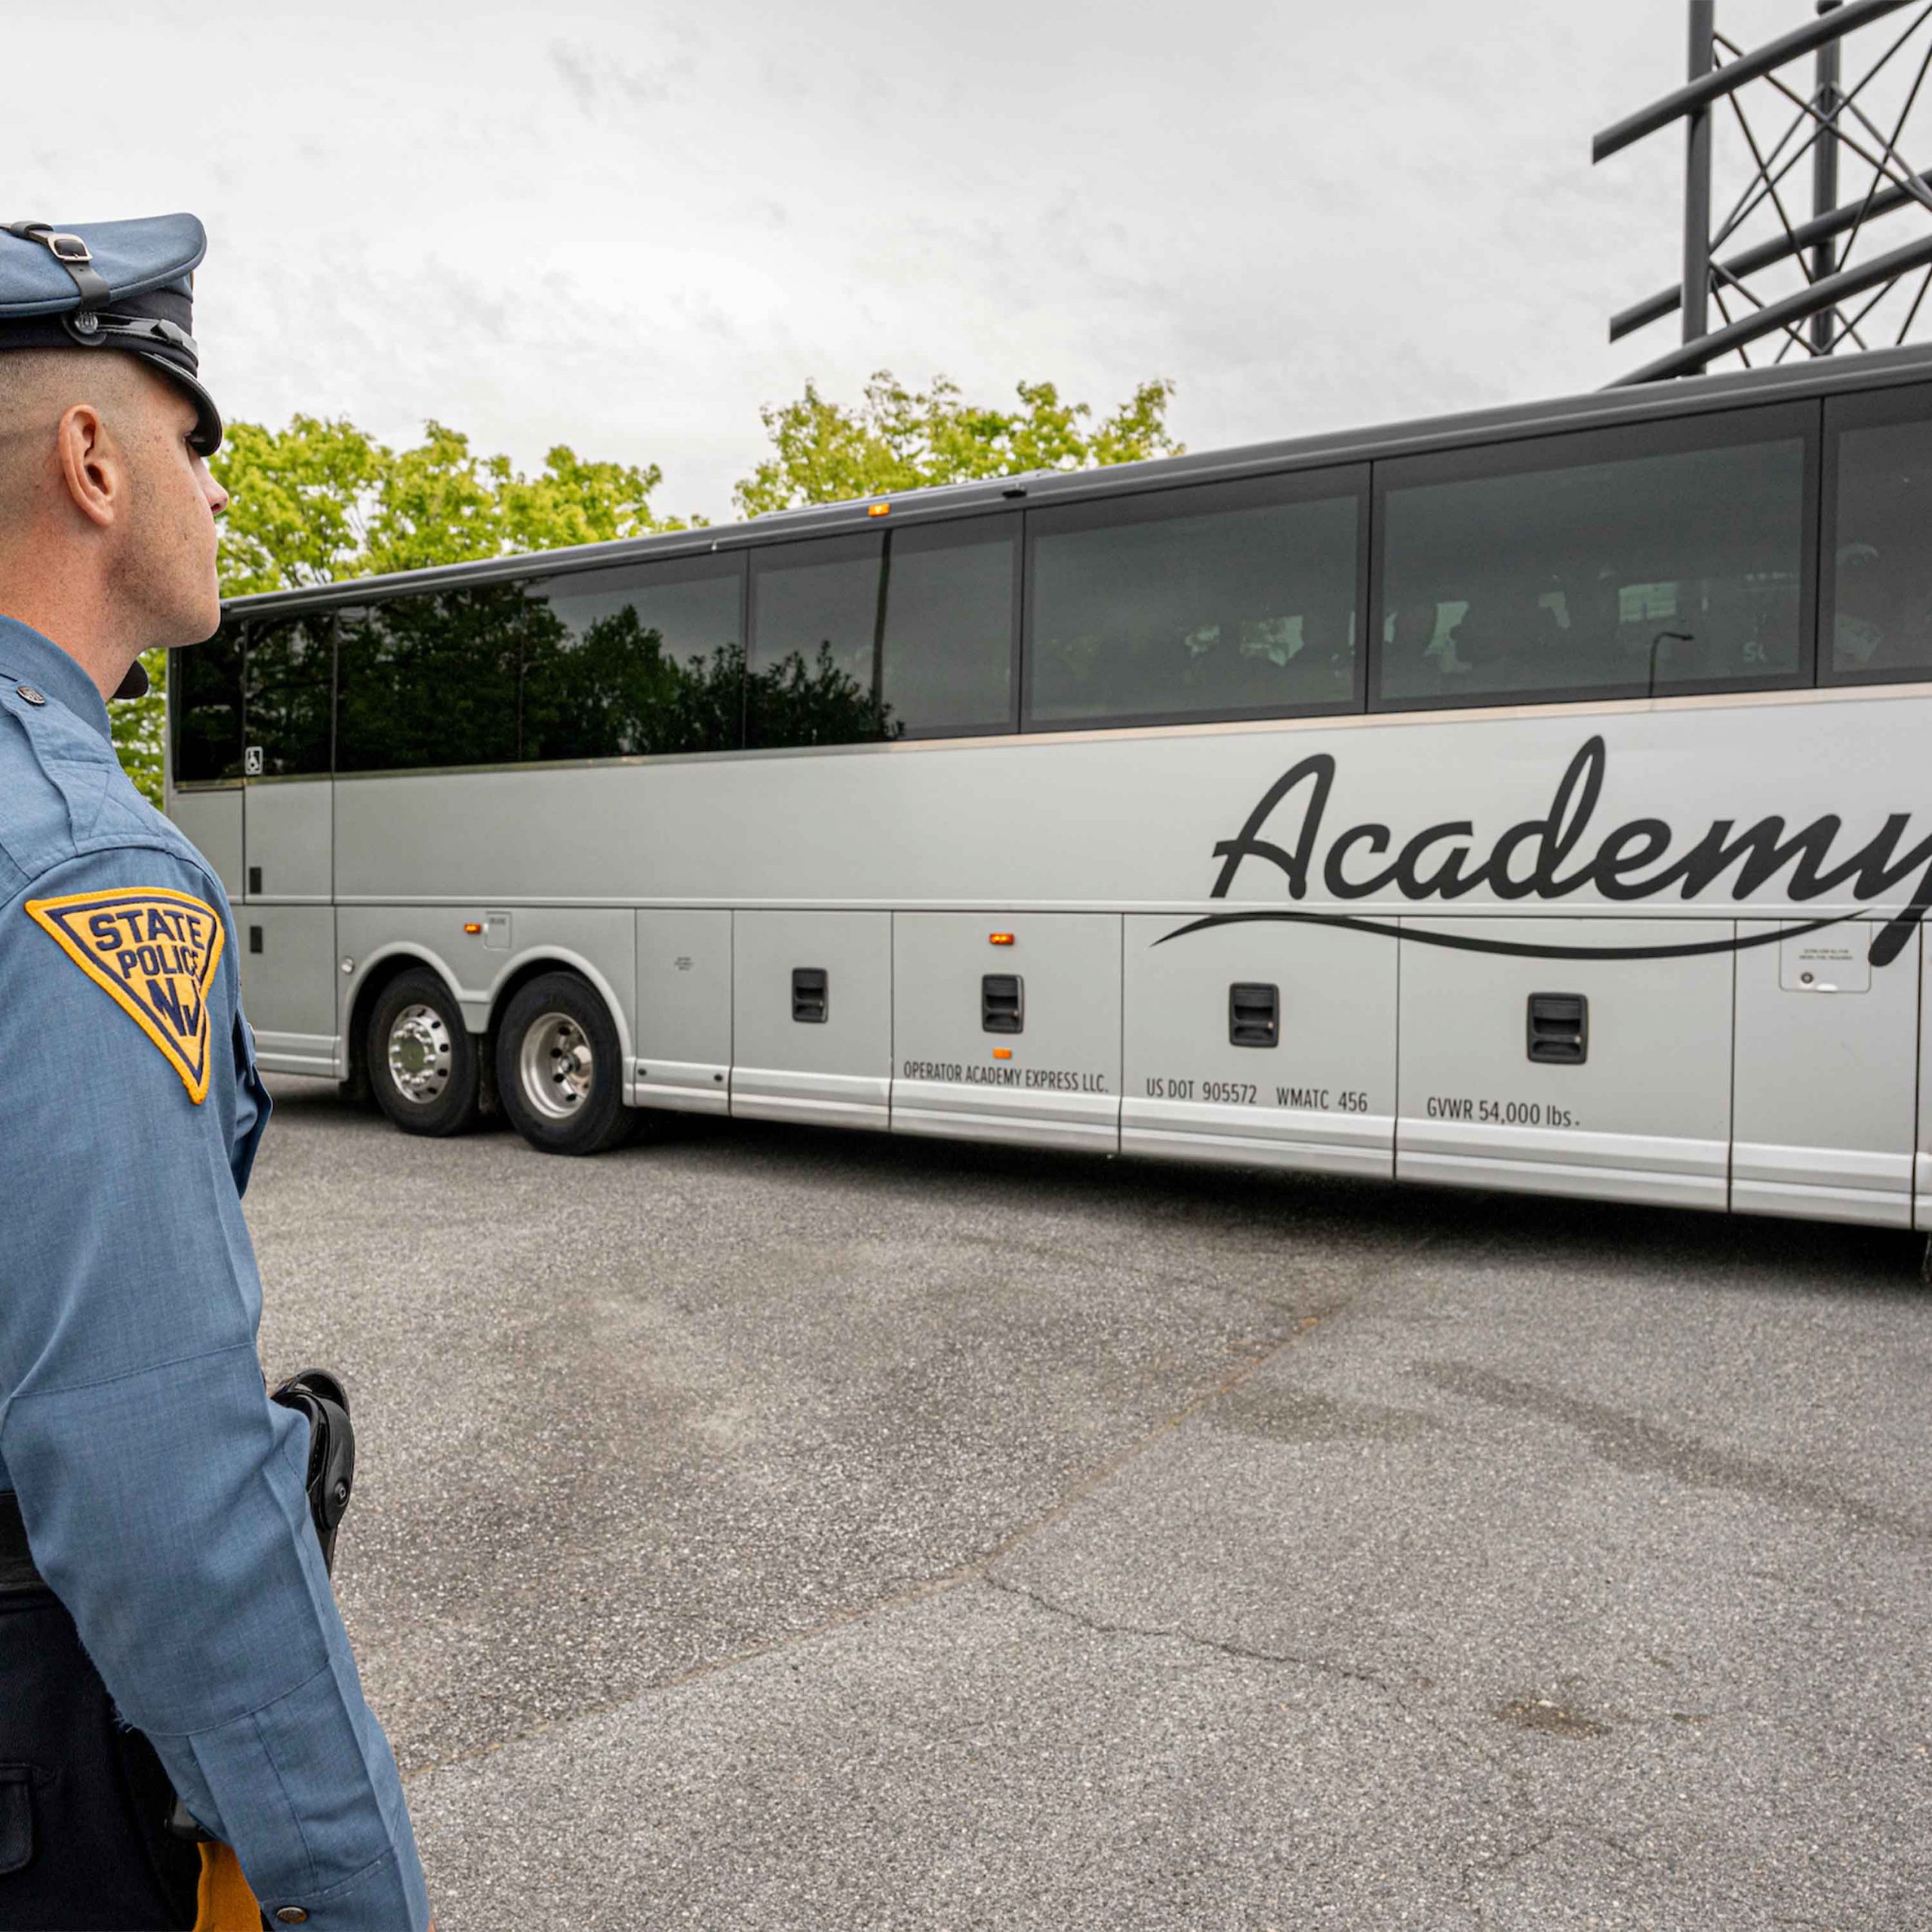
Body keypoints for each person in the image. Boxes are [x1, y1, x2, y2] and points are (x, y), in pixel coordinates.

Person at [0, 217, 431, 1929]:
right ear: (94, 460)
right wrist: (350, 1886)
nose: (221, 491)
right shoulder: (79, 861)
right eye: (199, 437)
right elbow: (151, 1466)